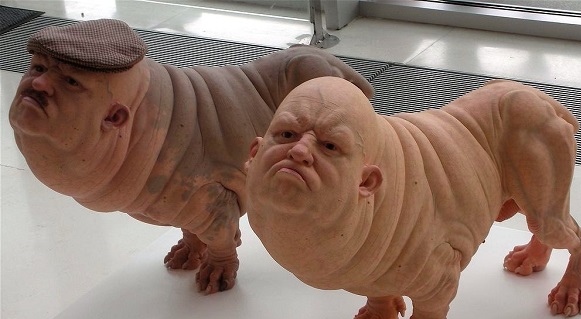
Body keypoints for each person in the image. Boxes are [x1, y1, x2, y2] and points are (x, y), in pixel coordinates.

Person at [245, 76, 581, 319]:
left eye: (329, 146)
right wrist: (380, 299)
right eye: (287, 135)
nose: (299, 151)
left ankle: (580, 255)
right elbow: (374, 251)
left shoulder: (409, 239)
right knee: (381, 257)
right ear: (254, 153)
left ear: (366, 183)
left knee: (548, 223)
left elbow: (438, 275)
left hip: (519, 130)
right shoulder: (295, 211)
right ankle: (384, 300)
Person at [9, 18, 374, 294]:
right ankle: (196, 240)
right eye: (39, 68)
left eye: (70, 82)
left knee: (184, 194)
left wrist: (221, 254)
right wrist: (195, 233)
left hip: (296, 91)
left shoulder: (157, 159)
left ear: (116, 117)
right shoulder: (139, 152)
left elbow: (212, 206)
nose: (38, 83)